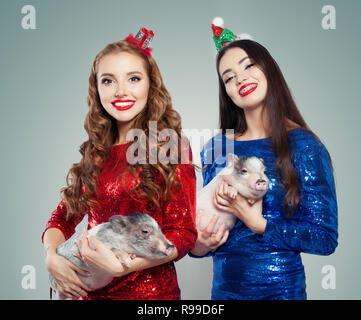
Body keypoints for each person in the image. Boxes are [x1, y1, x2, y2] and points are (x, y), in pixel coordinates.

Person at [42, 28, 197, 300]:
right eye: (108, 81)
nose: (121, 91)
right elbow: (61, 219)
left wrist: (120, 266)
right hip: (87, 294)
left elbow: (183, 234)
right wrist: (51, 258)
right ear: (97, 89)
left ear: (150, 84)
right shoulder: (97, 152)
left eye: (133, 78)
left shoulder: (169, 145)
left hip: (150, 298)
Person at [190, 24, 338, 300]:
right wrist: (198, 245)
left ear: (269, 69)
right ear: (227, 92)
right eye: (229, 77)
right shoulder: (217, 149)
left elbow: (325, 238)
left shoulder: (304, 145)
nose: (241, 79)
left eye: (248, 66)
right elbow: (205, 224)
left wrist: (260, 224)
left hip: (281, 292)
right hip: (223, 294)